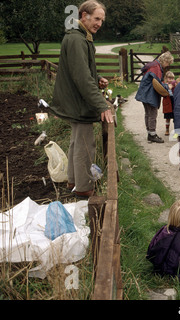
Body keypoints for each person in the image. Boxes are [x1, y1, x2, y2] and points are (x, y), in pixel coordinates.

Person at [50, 0, 113, 199]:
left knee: (76, 141)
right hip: (79, 103)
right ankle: (84, 187)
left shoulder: (78, 36)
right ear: (83, 15)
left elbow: (83, 72)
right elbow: (81, 77)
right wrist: (101, 104)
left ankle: (73, 181)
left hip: (73, 101)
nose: (99, 24)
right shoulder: (77, 39)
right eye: (96, 19)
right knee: (85, 145)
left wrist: (97, 78)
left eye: (101, 20)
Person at [136, 51, 174, 143]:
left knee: (148, 113)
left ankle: (150, 133)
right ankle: (152, 134)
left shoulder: (153, 65)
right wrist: (167, 87)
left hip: (145, 92)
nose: (167, 65)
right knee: (152, 114)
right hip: (149, 93)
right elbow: (157, 82)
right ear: (164, 60)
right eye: (168, 63)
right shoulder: (156, 67)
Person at [162, 71, 176, 136]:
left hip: (174, 103)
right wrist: (168, 88)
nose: (171, 80)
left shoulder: (175, 85)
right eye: (169, 78)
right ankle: (167, 130)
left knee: (176, 118)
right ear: (166, 78)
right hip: (167, 103)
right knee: (168, 118)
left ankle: (176, 131)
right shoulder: (164, 85)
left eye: (172, 78)